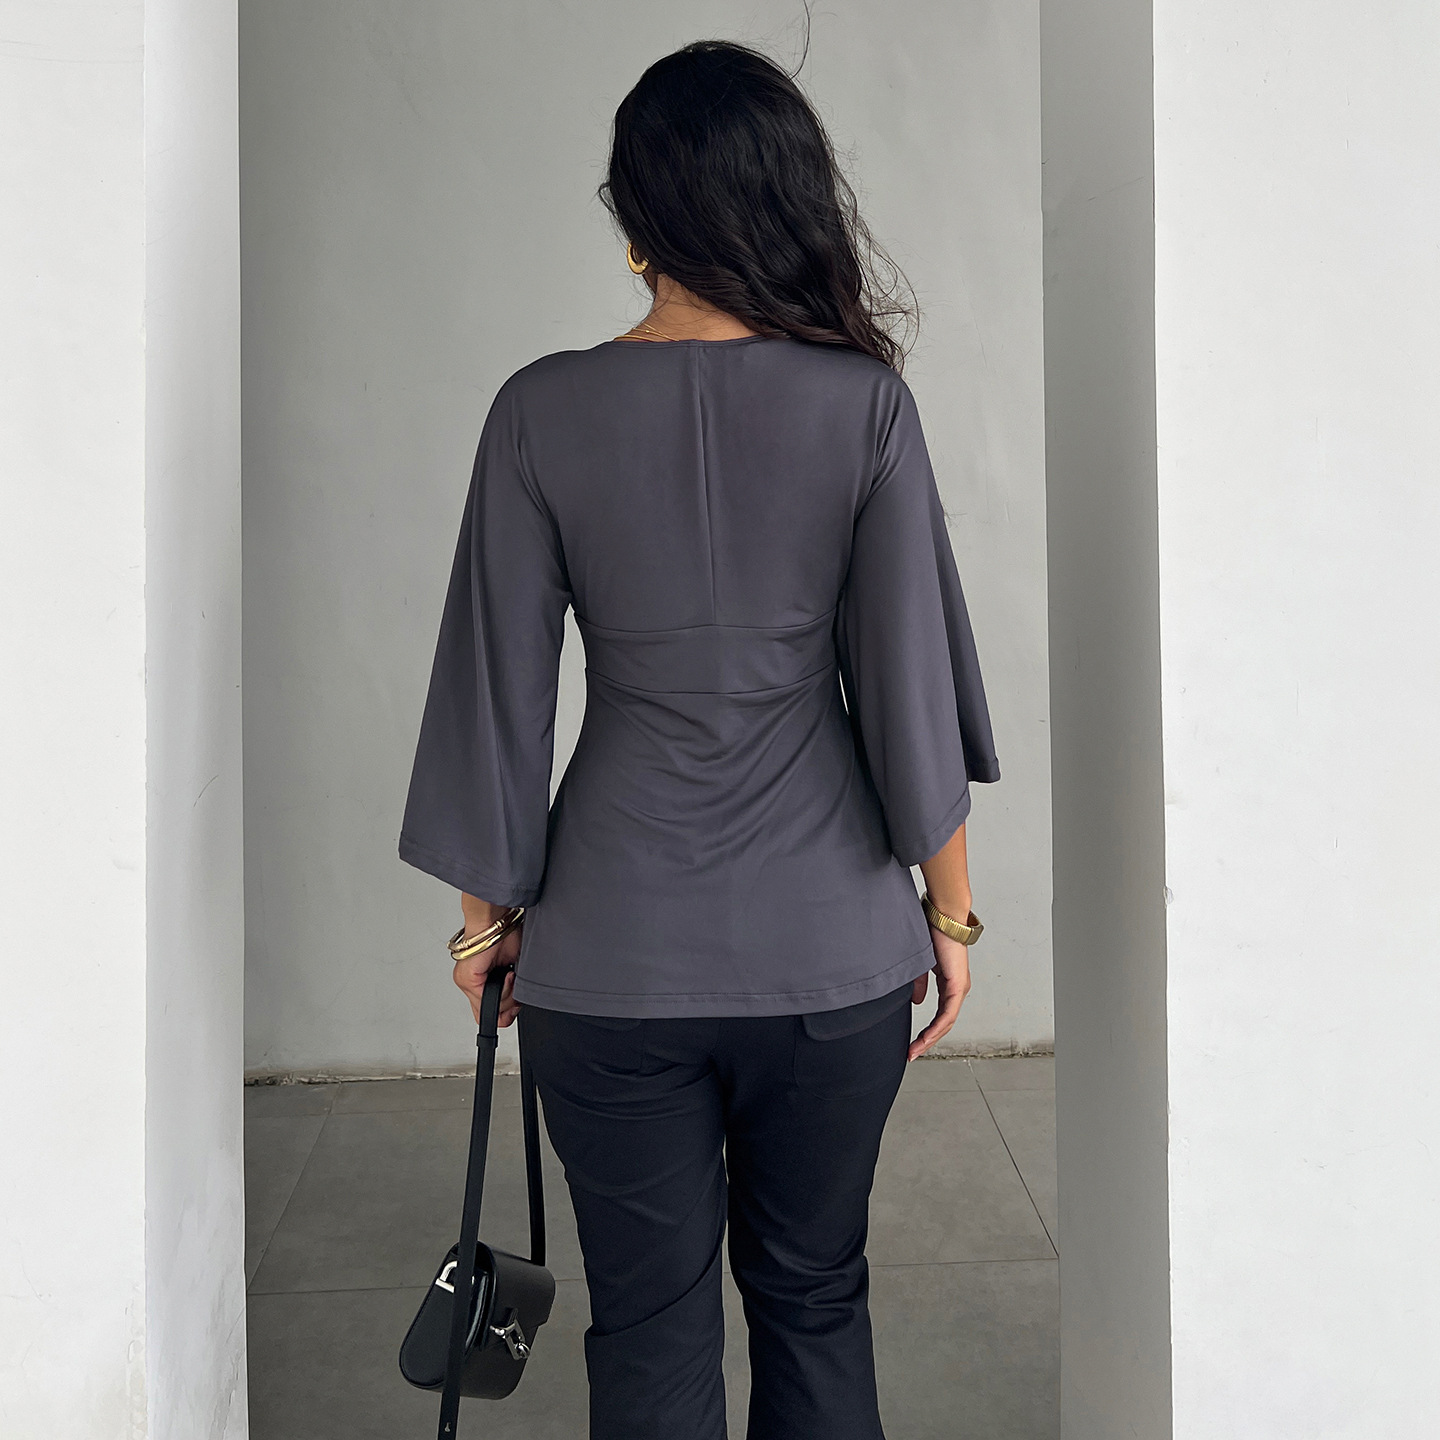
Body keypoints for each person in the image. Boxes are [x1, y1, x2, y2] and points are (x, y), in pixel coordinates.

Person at [398, 38, 1000, 1440]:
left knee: (649, 1327)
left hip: (612, 957)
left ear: (635, 215)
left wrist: (485, 929)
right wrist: (951, 916)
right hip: (832, 954)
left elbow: (496, 695)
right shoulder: (866, 406)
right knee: (816, 1296)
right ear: (789, 198)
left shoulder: (540, 410)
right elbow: (907, 694)